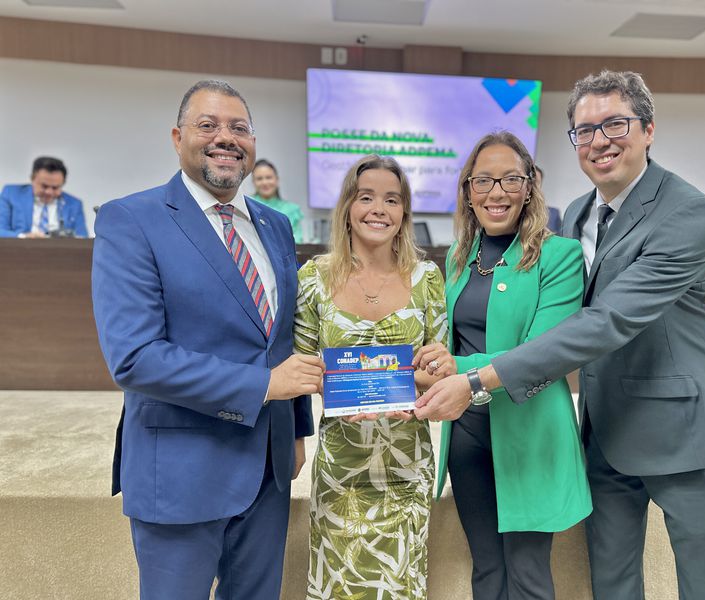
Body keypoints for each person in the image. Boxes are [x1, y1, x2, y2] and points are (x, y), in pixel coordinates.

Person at [416, 70, 705, 600]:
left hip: (681, 426)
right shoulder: (577, 213)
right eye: (584, 130)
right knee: (612, 583)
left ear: (648, 129)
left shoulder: (689, 211)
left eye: (615, 124)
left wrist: (476, 378)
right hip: (604, 426)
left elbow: (606, 321)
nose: (599, 141)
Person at [92, 80, 323, 600]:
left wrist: (295, 431)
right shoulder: (131, 219)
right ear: (178, 138)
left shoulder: (275, 225)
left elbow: (283, 339)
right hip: (181, 469)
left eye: (239, 128)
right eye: (208, 125)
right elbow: (135, 357)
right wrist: (265, 386)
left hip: (267, 469)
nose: (226, 138)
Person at [413, 132, 592, 600]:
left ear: (529, 186)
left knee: (528, 576)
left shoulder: (560, 256)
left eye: (510, 179)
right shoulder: (458, 257)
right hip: (468, 433)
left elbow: (543, 352)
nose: (497, 192)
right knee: (487, 570)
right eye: (484, 181)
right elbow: (444, 341)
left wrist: (454, 366)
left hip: (529, 430)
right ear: (468, 191)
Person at [293, 154, 448, 600]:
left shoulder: (427, 278)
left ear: (404, 213)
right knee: (338, 586)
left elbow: (439, 371)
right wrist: (338, 387)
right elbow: (299, 370)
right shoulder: (313, 278)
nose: (379, 209)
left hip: (406, 465)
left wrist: (428, 374)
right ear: (347, 207)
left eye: (392, 199)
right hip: (341, 468)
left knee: (400, 585)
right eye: (366, 197)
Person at [0, 156, 88, 238]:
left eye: (55, 187)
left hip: (60, 249)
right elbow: (1, 231)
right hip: (20, 248)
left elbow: (82, 238)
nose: (49, 192)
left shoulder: (74, 204)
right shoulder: (11, 194)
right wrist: (24, 237)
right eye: (44, 186)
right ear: (32, 179)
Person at [251, 158, 304, 243]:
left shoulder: (292, 210)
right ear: (253, 182)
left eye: (269, 177)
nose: (265, 182)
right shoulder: (246, 206)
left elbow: (296, 242)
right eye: (259, 179)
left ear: (277, 179)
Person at [534, 164, 562, 232]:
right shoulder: (513, 212)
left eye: (536, 182)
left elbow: (561, 236)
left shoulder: (553, 214)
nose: (532, 186)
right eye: (530, 181)